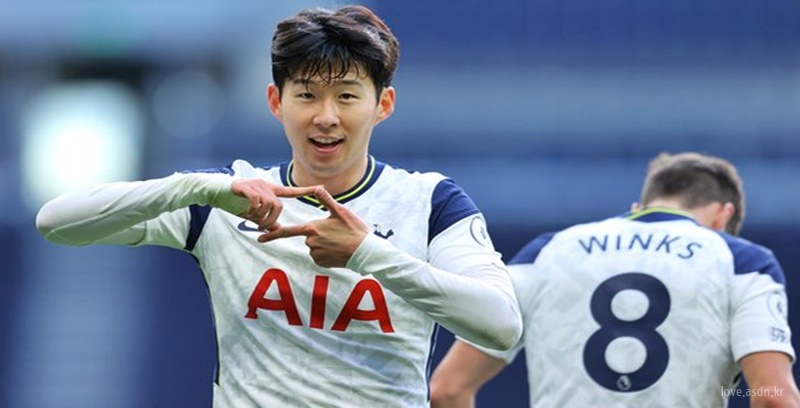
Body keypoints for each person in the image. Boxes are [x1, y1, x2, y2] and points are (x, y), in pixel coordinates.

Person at [35, 5, 522, 407]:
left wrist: (365, 252)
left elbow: (502, 324)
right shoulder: (228, 198)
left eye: (347, 96)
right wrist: (195, 187)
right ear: (276, 101)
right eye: (307, 95)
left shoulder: (429, 202)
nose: (326, 116)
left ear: (383, 105)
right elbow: (56, 222)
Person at [430, 152, 800, 408]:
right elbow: (773, 397)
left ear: (639, 207)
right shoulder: (743, 262)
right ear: (722, 217)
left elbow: (447, 389)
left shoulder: (545, 253)